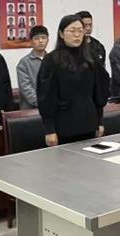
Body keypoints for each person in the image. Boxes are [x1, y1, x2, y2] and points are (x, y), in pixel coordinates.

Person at [37, 14, 110, 145]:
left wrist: (100, 121)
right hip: (63, 126)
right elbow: (46, 97)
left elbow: (99, 92)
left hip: (89, 123)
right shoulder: (51, 60)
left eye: (80, 31)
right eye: (72, 31)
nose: (77, 35)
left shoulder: (91, 58)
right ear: (61, 34)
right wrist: (49, 130)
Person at [16, 25, 49, 108]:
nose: (41, 41)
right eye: (36, 38)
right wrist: (42, 103)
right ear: (31, 41)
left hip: (51, 108)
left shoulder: (53, 60)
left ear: (48, 40)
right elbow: (26, 88)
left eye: (43, 38)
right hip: (30, 110)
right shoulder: (24, 63)